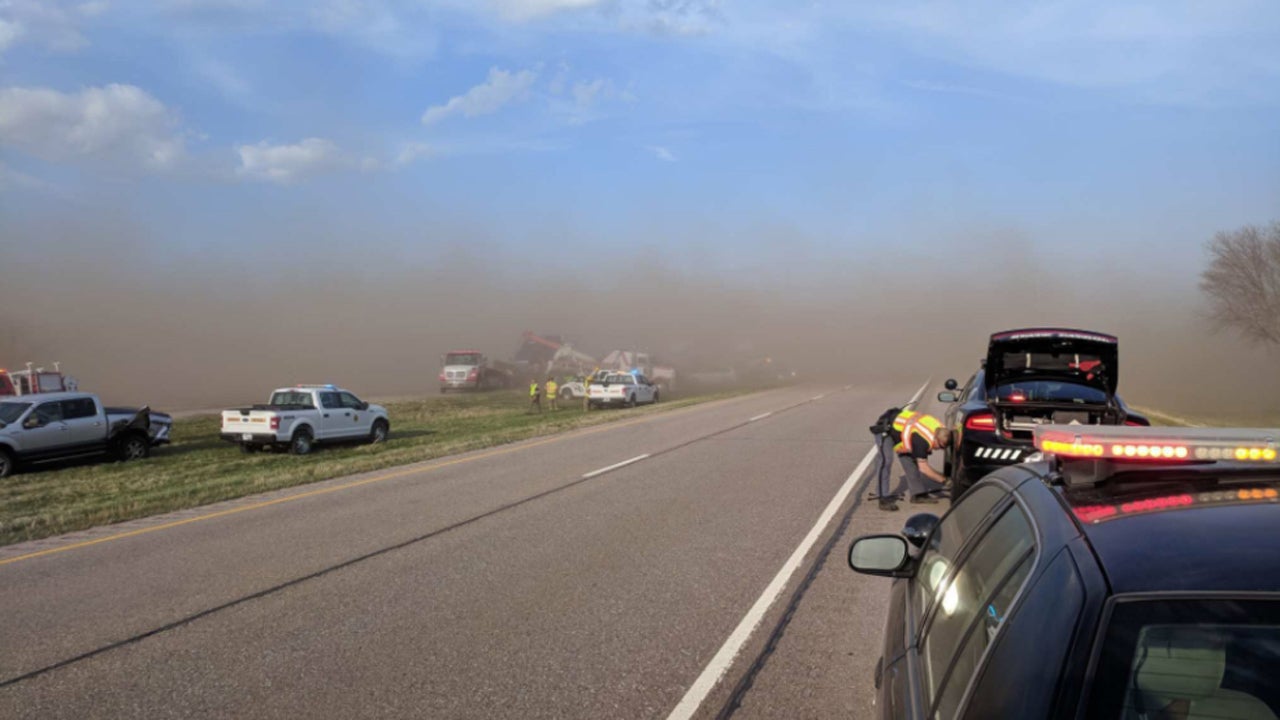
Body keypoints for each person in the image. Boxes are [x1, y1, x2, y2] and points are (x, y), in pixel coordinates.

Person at [894, 412, 951, 504]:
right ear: (935, 439)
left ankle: (919, 493)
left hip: (908, 427)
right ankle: (916, 496)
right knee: (909, 464)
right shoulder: (921, 442)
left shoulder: (941, 430)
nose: (940, 449)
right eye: (940, 446)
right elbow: (924, 468)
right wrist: (944, 481)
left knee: (915, 462)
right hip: (893, 430)